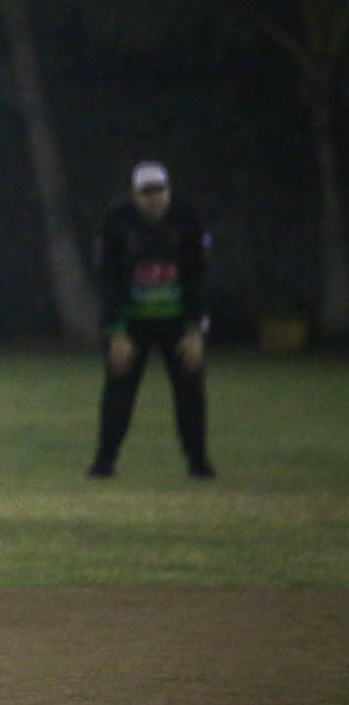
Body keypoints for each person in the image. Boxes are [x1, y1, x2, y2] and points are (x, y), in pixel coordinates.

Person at [88, 160, 215, 478]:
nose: (154, 198)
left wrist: (195, 330)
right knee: (119, 389)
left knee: (190, 390)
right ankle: (104, 461)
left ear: (169, 190)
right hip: (133, 322)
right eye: (147, 192)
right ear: (134, 195)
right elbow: (108, 279)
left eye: (159, 190)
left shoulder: (187, 219)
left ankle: (197, 462)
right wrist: (116, 332)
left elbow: (197, 277)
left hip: (177, 322)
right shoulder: (117, 221)